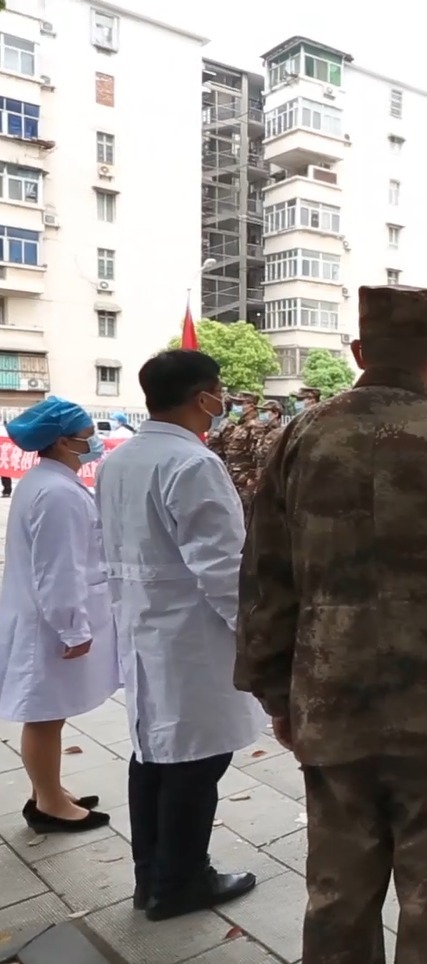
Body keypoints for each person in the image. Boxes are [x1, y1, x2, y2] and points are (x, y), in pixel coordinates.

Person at [235, 286, 427, 964]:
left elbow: (264, 579)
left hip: (330, 695)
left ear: (358, 353)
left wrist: (273, 691)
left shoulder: (299, 436)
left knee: (338, 892)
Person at [95, 349, 263, 921]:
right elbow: (221, 567)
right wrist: (259, 635)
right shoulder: (192, 465)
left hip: (146, 626)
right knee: (193, 764)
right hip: (191, 636)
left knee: (154, 757)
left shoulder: (123, 459)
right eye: (220, 391)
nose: (223, 402)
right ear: (202, 397)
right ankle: (182, 883)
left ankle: (154, 879)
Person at [0, 397, 119, 833]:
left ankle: (46, 788)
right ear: (64, 442)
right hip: (48, 624)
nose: (95, 443)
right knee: (46, 714)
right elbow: (58, 569)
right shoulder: (56, 493)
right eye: (88, 438)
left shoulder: (49, 482)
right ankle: (48, 804)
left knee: (50, 712)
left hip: (43, 617)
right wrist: (73, 628)